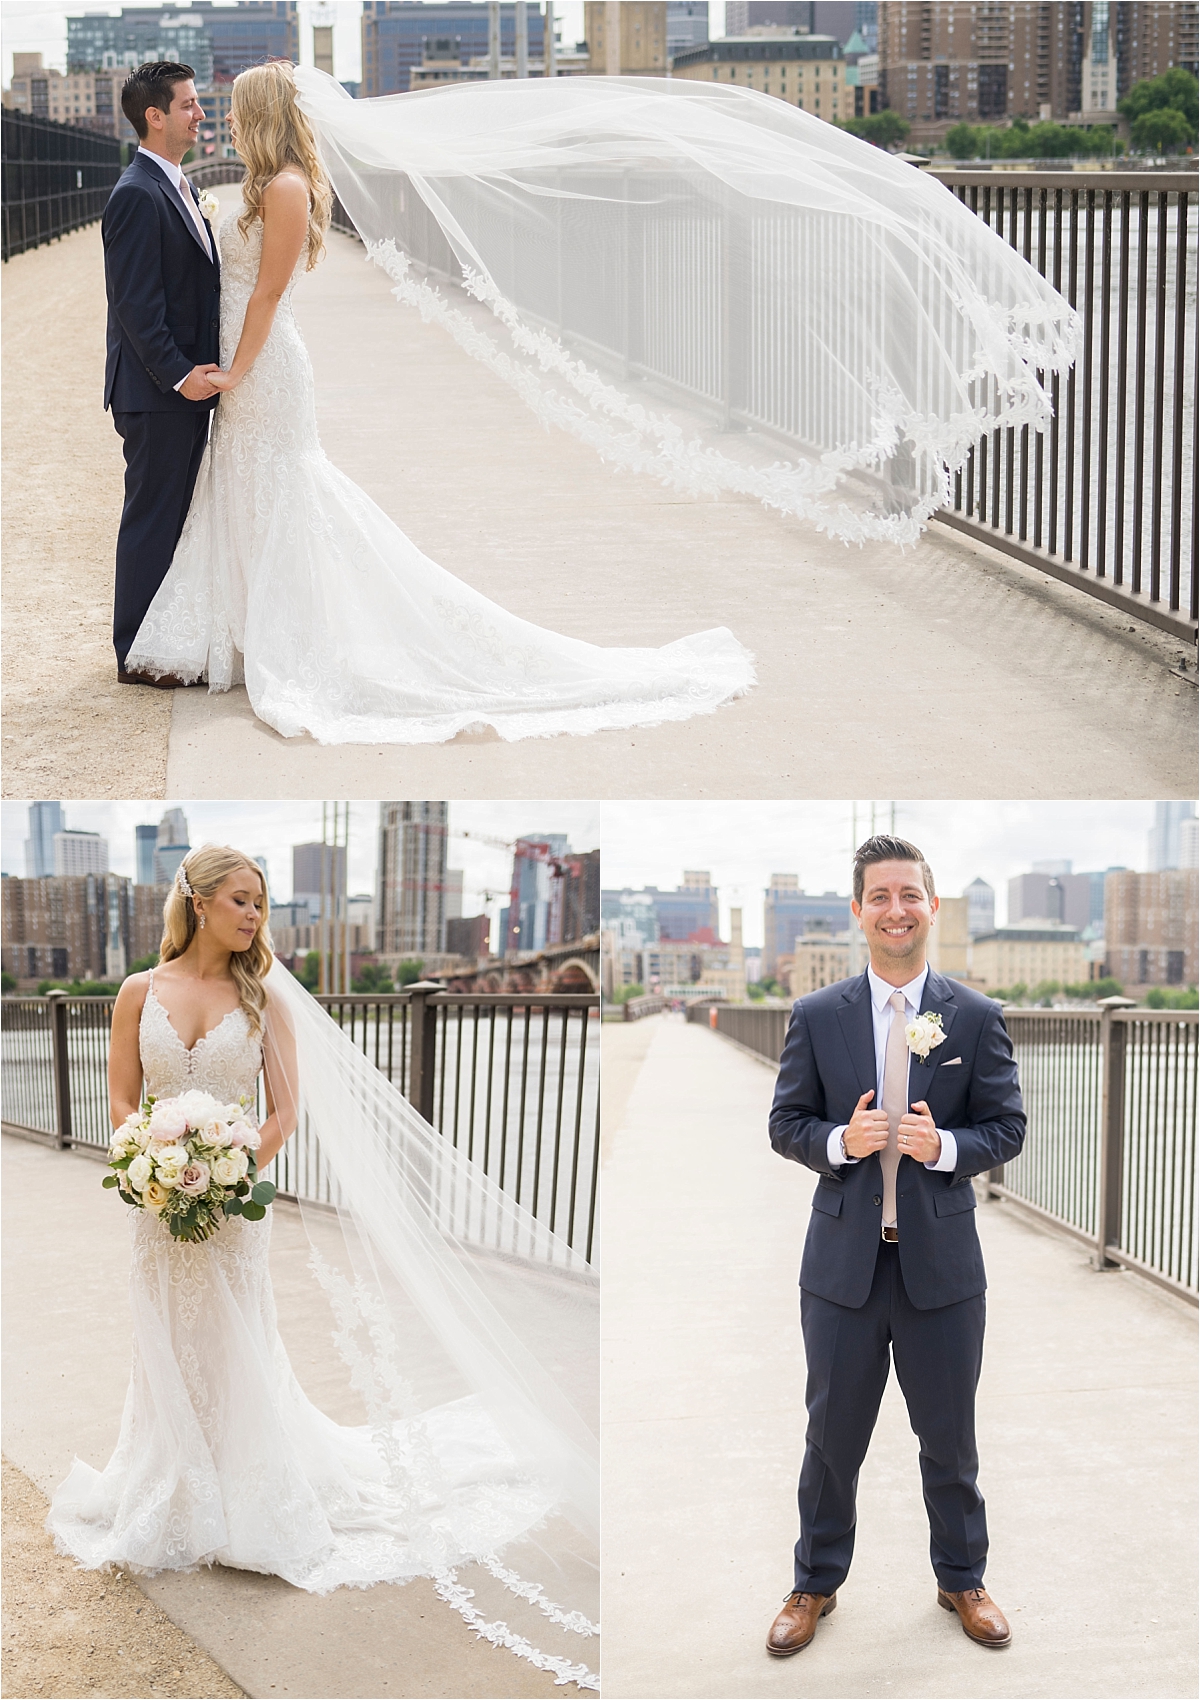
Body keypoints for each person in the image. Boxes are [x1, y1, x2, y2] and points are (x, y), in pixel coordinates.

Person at [47, 846, 599, 1686]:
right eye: (239, 901)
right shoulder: (135, 994)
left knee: (237, 1344)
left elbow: (286, 1112)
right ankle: (172, 1481)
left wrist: (229, 1166)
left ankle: (243, 1487)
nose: (254, 916)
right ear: (197, 903)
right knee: (163, 1342)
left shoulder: (261, 999)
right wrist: (149, 1164)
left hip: (233, 1209)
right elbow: (122, 1101)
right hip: (156, 1212)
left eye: (261, 904)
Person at [121, 61, 754, 744]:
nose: (227, 120)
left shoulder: (287, 186)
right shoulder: (256, 187)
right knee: (245, 493)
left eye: (239, 109)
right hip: (244, 370)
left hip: (265, 370)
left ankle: (293, 640)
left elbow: (268, 293)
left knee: (284, 495)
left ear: (266, 116)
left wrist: (237, 372)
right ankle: (243, 636)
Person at [765, 835, 1025, 1655]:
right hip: (843, 1269)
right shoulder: (816, 1015)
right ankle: (813, 1585)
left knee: (949, 1439)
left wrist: (940, 1147)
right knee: (830, 1438)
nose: (896, 909)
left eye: (909, 894)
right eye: (879, 896)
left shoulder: (974, 1017)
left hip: (941, 1270)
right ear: (858, 911)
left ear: (931, 906)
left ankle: (963, 1579)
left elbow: (1007, 1127)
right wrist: (842, 1139)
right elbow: (785, 1125)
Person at [101, 63, 221, 685]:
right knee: (152, 516)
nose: (200, 114)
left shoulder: (177, 184)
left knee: (177, 516)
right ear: (155, 115)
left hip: (181, 389)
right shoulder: (135, 194)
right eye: (190, 105)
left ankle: (166, 643)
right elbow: (136, 307)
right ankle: (136, 656)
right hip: (155, 393)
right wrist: (181, 377)